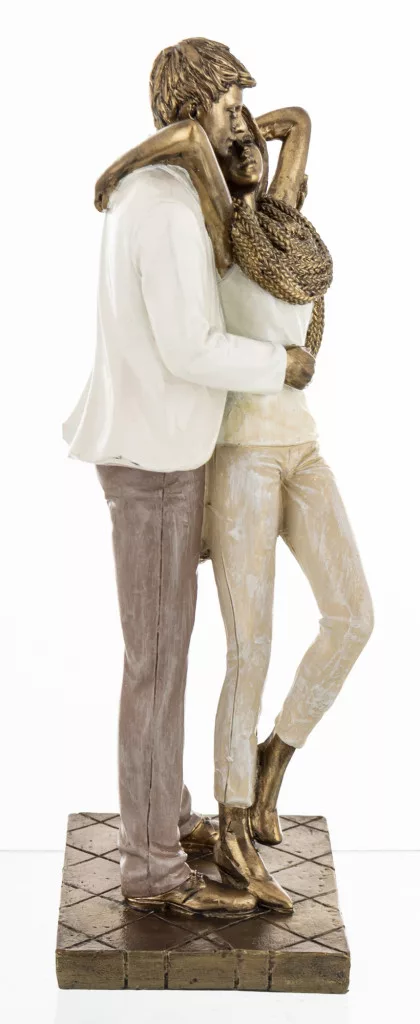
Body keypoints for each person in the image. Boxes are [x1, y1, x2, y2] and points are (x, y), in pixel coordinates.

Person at [94, 65, 374, 910]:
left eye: (250, 123)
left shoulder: (276, 221)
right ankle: (228, 824)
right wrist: (137, 159)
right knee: (239, 647)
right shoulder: (213, 221)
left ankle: (271, 757)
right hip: (238, 453)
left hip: (301, 447)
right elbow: (189, 141)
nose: (249, 135)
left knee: (353, 616)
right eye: (232, 121)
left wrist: (241, 122)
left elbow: (298, 121)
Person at [62, 38, 314, 914]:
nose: (242, 120)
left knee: (160, 656)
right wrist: (280, 364)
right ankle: (153, 870)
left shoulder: (161, 189)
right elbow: (191, 348)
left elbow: (279, 133)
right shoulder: (166, 208)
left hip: (162, 453)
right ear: (193, 107)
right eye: (230, 105)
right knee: (158, 665)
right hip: (157, 462)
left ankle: (165, 818)